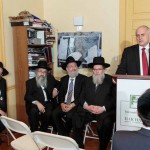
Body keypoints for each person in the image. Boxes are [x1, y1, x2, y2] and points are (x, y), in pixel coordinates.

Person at [72, 56, 116, 150]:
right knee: (76, 115)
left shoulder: (111, 80)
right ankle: (79, 144)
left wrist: (103, 108)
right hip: (89, 110)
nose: (97, 72)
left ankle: (103, 146)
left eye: (99, 69)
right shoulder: (87, 80)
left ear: (104, 70)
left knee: (107, 121)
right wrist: (87, 107)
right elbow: (80, 97)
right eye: (95, 69)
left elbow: (114, 99)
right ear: (92, 70)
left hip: (104, 111)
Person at [52, 56, 87, 136]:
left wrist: (72, 105)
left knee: (70, 115)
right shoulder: (63, 79)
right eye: (71, 66)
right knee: (54, 114)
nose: (74, 68)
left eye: (75, 66)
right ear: (67, 69)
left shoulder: (83, 79)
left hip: (76, 104)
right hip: (65, 103)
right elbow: (61, 94)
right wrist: (61, 103)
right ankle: (63, 134)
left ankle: (64, 134)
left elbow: (83, 95)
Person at [24, 60, 60, 132]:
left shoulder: (50, 78)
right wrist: (37, 103)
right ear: (36, 72)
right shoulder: (30, 82)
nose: (42, 74)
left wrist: (56, 89)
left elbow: (59, 84)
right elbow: (27, 96)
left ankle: (42, 131)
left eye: (44, 72)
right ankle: (34, 132)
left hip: (48, 102)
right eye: (40, 71)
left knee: (49, 113)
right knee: (33, 112)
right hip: (37, 103)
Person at [0, 62, 9, 144]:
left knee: (5, 123)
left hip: (2, 109)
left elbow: (4, 97)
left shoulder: (3, 81)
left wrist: (5, 111)